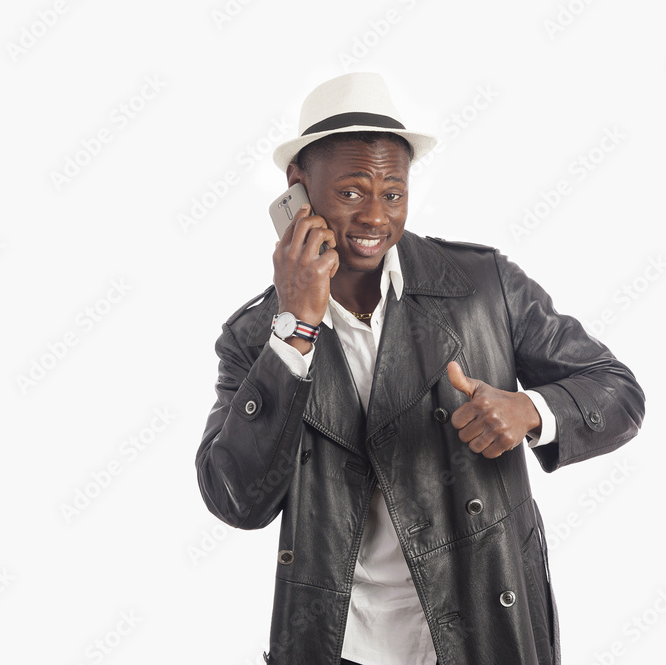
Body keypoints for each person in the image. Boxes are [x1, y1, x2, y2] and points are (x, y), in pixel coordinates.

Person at [194, 72, 645, 665]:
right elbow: (235, 500)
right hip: (335, 643)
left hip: (484, 628)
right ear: (298, 190)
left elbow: (617, 391)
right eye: (352, 192)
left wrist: (530, 409)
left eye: (394, 193)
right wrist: (296, 326)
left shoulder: (485, 286)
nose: (376, 217)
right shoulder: (256, 337)